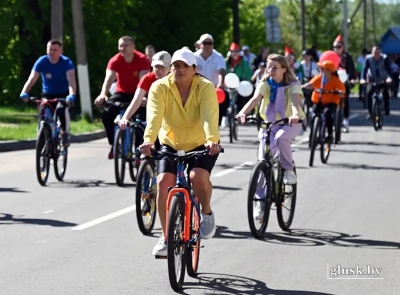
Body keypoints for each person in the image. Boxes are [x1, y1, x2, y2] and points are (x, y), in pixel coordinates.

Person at [139, 48, 223, 257]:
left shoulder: (205, 87)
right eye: (176, 65)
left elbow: (208, 117)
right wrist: (148, 140)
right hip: (171, 142)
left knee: (197, 177)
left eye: (186, 66)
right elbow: (155, 116)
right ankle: (166, 237)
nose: (180, 69)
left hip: (202, 142)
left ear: (195, 69)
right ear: (171, 68)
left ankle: (206, 212)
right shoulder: (159, 87)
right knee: (163, 182)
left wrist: (212, 140)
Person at [236, 54, 304, 186]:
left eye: (274, 68)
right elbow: (255, 99)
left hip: (290, 122)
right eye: (269, 68)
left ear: (284, 69)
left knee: (281, 138)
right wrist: (242, 112)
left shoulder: (293, 84)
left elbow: (295, 102)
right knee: (263, 159)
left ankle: (288, 170)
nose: (270, 71)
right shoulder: (265, 83)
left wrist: (295, 115)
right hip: (270, 123)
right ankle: (261, 200)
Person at [95, 36, 150, 159]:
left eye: (126, 45)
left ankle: (139, 152)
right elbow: (109, 78)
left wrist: (143, 97)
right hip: (122, 93)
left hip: (138, 93)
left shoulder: (142, 59)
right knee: (106, 114)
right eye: (120, 45)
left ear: (133, 47)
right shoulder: (115, 60)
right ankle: (114, 145)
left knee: (140, 121)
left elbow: (143, 81)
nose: (122, 48)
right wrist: (103, 94)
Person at [20, 39, 76, 147]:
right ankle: (42, 137)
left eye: (55, 50)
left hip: (63, 94)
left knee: (60, 110)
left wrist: (71, 95)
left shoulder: (66, 62)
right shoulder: (42, 61)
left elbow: (71, 82)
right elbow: (31, 79)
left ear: (61, 51)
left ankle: (64, 134)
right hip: (48, 94)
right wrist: (24, 92)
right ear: (46, 50)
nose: (52, 52)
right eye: (50, 49)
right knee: (43, 113)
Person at [303, 60, 345, 142]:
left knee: (327, 113)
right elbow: (310, 84)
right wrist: (302, 87)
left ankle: (329, 135)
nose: (320, 69)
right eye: (321, 68)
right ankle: (313, 134)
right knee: (313, 113)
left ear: (329, 70)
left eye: (323, 68)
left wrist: (339, 93)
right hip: (319, 101)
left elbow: (342, 91)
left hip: (331, 103)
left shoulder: (336, 80)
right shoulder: (319, 77)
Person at [194, 33, 226, 126]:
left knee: (214, 112)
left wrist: (221, 83)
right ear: (200, 44)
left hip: (214, 88)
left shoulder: (218, 56)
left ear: (213, 45)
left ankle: (215, 127)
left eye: (210, 43)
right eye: (205, 43)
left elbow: (221, 70)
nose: (207, 45)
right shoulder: (194, 57)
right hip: (197, 88)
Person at [332, 35, 356, 132]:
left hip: (344, 82)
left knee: (345, 102)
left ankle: (346, 121)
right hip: (333, 82)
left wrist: (353, 79)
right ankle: (332, 120)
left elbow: (352, 70)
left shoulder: (347, 57)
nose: (336, 49)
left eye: (339, 47)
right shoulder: (331, 56)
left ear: (343, 47)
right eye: (335, 47)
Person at [360, 45, 392, 117]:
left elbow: (388, 69)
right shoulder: (368, 59)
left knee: (385, 92)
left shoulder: (384, 58)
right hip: (373, 79)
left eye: (378, 53)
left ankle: (386, 109)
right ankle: (370, 113)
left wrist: (389, 78)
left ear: (380, 52)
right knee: (369, 93)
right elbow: (364, 70)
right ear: (372, 52)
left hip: (383, 79)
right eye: (375, 53)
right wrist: (362, 79)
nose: (376, 55)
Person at [226, 42, 253, 112]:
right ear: (230, 52)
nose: (235, 53)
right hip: (228, 83)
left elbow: (248, 72)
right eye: (233, 51)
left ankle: (240, 112)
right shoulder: (226, 61)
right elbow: (223, 71)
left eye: (237, 51)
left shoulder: (242, 61)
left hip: (239, 83)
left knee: (240, 99)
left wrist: (248, 81)